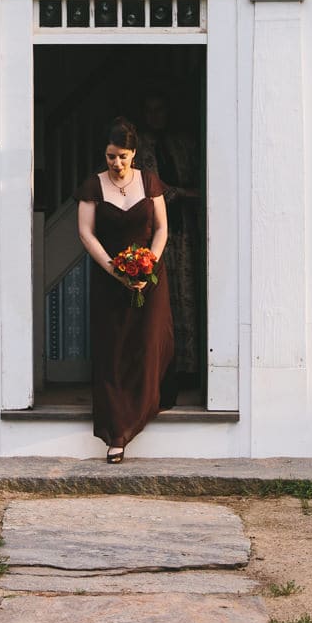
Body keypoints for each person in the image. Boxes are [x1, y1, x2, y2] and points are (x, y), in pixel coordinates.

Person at [74, 117, 175, 462]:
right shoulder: (92, 186)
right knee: (113, 351)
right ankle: (116, 432)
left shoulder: (150, 182)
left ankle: (144, 406)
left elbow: (161, 228)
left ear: (134, 154)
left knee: (146, 343)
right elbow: (87, 233)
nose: (115, 163)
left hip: (149, 276)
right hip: (109, 277)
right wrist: (115, 270)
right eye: (110, 156)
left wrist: (148, 263)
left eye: (122, 156)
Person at [134, 90, 202, 380]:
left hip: (184, 228)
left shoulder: (184, 144)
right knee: (156, 297)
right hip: (150, 231)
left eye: (159, 108)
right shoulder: (138, 148)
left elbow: (203, 184)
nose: (155, 116)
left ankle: (187, 368)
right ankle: (158, 369)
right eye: (149, 110)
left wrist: (180, 193)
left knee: (186, 294)